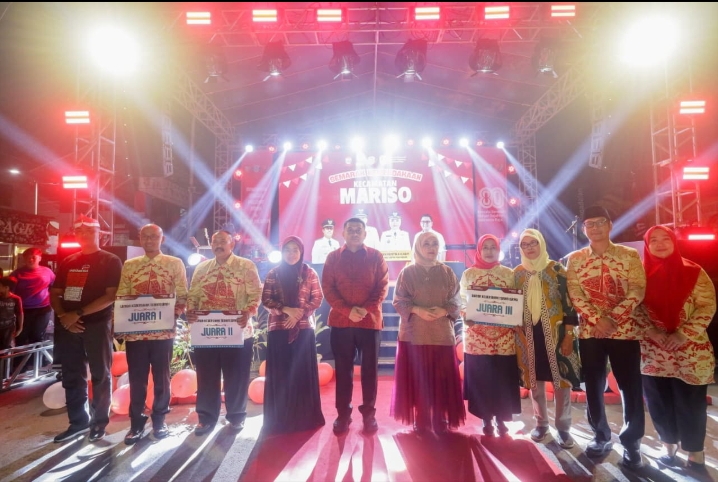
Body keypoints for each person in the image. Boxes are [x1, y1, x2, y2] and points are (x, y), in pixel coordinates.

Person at [566, 205, 646, 469]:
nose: (595, 228)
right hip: (590, 332)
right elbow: (575, 294)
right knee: (593, 384)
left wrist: (612, 318)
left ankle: (632, 443)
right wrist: (597, 319)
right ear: (583, 229)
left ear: (610, 225)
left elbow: (637, 289)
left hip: (624, 331)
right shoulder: (575, 259)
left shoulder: (628, 255)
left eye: (600, 222)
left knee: (630, 386)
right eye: (590, 224)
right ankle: (600, 435)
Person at [639, 225, 716, 468]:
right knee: (658, 402)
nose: (660, 244)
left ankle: (695, 453)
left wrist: (683, 334)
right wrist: (651, 331)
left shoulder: (694, 271)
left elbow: (707, 306)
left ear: (674, 242)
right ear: (647, 245)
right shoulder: (638, 276)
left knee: (691, 403)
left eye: (666, 239)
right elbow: (633, 309)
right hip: (654, 351)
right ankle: (668, 447)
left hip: (691, 351)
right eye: (654, 240)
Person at [50, 215, 123, 443]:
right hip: (68, 326)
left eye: (90, 231)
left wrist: (78, 314)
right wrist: (64, 316)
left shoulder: (110, 260)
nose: (84, 235)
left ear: (99, 234)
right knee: (72, 374)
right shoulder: (68, 261)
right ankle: (78, 422)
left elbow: (111, 296)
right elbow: (55, 293)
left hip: (97, 325)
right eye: (80, 231)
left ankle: (99, 423)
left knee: (100, 374)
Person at [116, 224, 188, 444]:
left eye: (154, 236)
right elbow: (122, 295)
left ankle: (159, 420)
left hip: (163, 333)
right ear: (140, 239)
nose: (149, 240)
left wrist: (173, 313)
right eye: (145, 237)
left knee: (162, 378)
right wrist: (120, 319)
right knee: (137, 378)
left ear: (162, 239)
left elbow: (183, 294)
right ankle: (136, 424)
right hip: (135, 333)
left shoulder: (174, 263)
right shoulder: (130, 265)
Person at [187, 230, 261, 435]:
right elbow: (193, 295)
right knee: (206, 377)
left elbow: (256, 294)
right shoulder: (202, 268)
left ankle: (236, 416)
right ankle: (206, 418)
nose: (218, 245)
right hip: (206, 332)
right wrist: (190, 311)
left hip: (238, 331)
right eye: (214, 241)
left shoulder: (246, 266)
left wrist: (249, 312)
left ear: (232, 244)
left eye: (222, 241)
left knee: (236, 377)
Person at [513, 229, 581, 449]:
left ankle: (563, 427)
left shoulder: (557, 269)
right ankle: (541, 423)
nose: (529, 248)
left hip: (557, 334)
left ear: (541, 243)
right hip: (528, 335)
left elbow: (569, 304)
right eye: (525, 244)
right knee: (535, 382)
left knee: (562, 381)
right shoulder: (517, 274)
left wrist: (569, 335)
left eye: (533, 243)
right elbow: (511, 304)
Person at [391, 231, 464, 434]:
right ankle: (421, 417)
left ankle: (439, 416)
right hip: (414, 334)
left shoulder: (447, 272)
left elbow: (456, 300)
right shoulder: (407, 272)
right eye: (426, 244)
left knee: (441, 378)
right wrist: (417, 310)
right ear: (418, 247)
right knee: (418, 377)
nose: (431, 248)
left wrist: (444, 310)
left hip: (441, 333)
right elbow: (399, 301)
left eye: (434, 243)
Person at [322, 217, 389, 435]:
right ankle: (343, 415)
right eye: (350, 229)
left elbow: (382, 287)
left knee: (370, 371)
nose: (354, 233)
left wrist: (366, 309)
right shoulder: (333, 257)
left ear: (365, 233)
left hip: (370, 321)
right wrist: (347, 311)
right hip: (341, 322)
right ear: (343, 233)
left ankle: (369, 415)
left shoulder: (376, 256)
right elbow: (328, 289)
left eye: (358, 229)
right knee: (343, 371)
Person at [261, 236, 325, 434]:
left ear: (301, 252)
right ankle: (280, 419)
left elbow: (317, 298)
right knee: (281, 375)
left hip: (304, 330)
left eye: (295, 250)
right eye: (287, 249)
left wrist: (299, 314)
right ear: (282, 252)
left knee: (301, 374)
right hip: (279, 329)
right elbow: (266, 300)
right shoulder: (274, 273)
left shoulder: (309, 272)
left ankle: (304, 418)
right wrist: (286, 309)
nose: (291, 254)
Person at [459, 234, 520, 436]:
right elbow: (461, 300)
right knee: (482, 379)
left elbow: (515, 302)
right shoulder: (468, 274)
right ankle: (486, 418)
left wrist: (514, 317)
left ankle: (502, 419)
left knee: (502, 379)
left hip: (503, 339)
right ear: (479, 250)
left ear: (498, 250)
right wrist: (466, 313)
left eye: (493, 247)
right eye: (485, 247)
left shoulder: (508, 274)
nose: (489, 251)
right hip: (477, 338)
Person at [11, 248, 55, 351]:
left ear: (39, 258)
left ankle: (37, 359)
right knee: (21, 336)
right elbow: (10, 291)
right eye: (28, 258)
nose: (30, 260)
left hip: (43, 309)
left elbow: (54, 287)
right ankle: (20, 360)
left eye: (33, 257)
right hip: (23, 310)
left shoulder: (47, 271)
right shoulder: (17, 273)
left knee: (37, 336)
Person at [0, 276, 23, 351]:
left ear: (6, 287)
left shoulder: (16, 299)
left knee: (6, 347)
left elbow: (20, 313)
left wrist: (20, 328)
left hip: (8, 328)